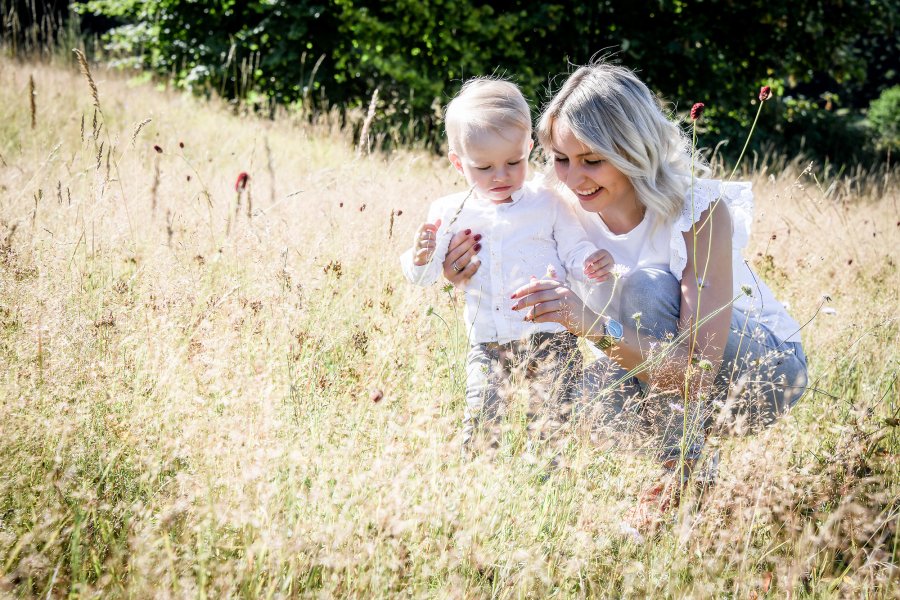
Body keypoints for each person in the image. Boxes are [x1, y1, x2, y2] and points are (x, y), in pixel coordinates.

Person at [441, 63, 809, 526]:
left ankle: (682, 483)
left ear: (632, 150)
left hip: (761, 373)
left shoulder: (698, 211)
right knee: (576, 393)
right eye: (560, 159)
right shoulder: (558, 209)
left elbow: (697, 374)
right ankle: (558, 508)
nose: (574, 178)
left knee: (646, 284)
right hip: (653, 365)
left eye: (592, 160)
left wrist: (589, 323)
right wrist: (463, 272)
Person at [400, 77, 614, 451]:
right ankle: (479, 478)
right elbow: (425, 275)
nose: (500, 176)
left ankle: (547, 485)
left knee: (551, 424)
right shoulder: (451, 211)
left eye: (514, 162)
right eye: (484, 168)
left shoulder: (548, 202)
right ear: (457, 162)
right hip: (488, 340)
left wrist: (590, 263)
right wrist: (420, 256)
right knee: (481, 418)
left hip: (551, 336)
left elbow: (573, 249)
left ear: (529, 148)